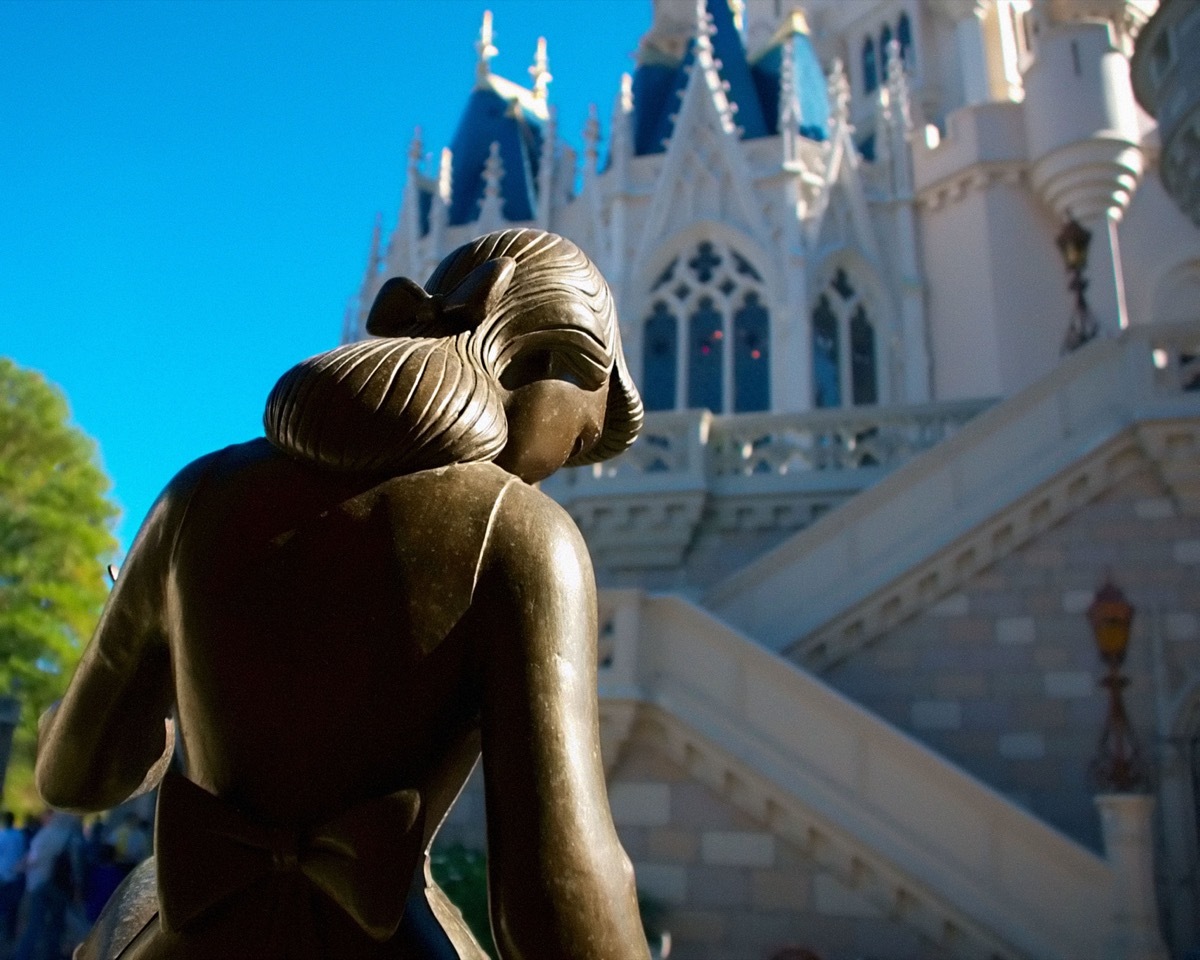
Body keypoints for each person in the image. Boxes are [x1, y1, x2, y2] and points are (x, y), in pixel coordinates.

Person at [35, 229, 651, 960]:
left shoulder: (197, 492)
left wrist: (165, 697)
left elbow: (75, 774)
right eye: (576, 442)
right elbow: (559, 899)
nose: (550, 472)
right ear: (551, 365)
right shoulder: (525, 537)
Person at [12, 811, 80, 960]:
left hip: (38, 884)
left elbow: (33, 859)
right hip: (60, 885)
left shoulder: (44, 835)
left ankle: (23, 954)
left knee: (34, 923)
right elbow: (75, 866)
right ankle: (52, 953)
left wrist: (18, 867)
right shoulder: (70, 836)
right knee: (56, 924)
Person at [0, 810, 27, 940]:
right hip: (16, 874)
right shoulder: (19, 835)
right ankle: (11, 933)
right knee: (13, 907)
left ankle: (4, 933)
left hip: (3, 875)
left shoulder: (2, 836)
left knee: (3, 905)